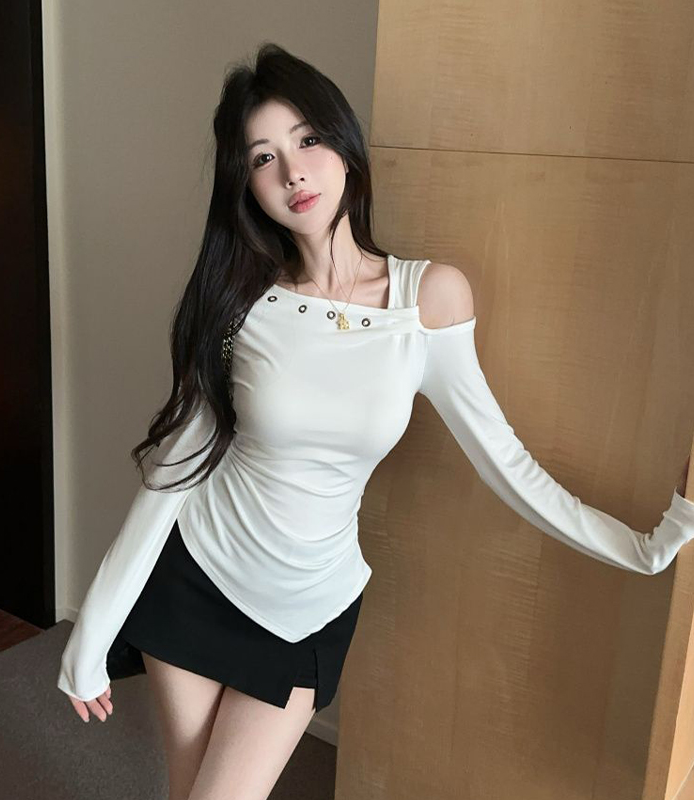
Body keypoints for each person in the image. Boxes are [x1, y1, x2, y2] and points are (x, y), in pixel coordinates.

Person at [57, 42, 694, 800]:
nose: (293, 173)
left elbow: (509, 466)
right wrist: (93, 631)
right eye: (263, 157)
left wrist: (646, 550)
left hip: (309, 606)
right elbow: (174, 471)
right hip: (198, 576)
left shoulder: (427, 302)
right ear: (246, 185)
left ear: (345, 146)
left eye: (307, 140)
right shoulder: (242, 305)